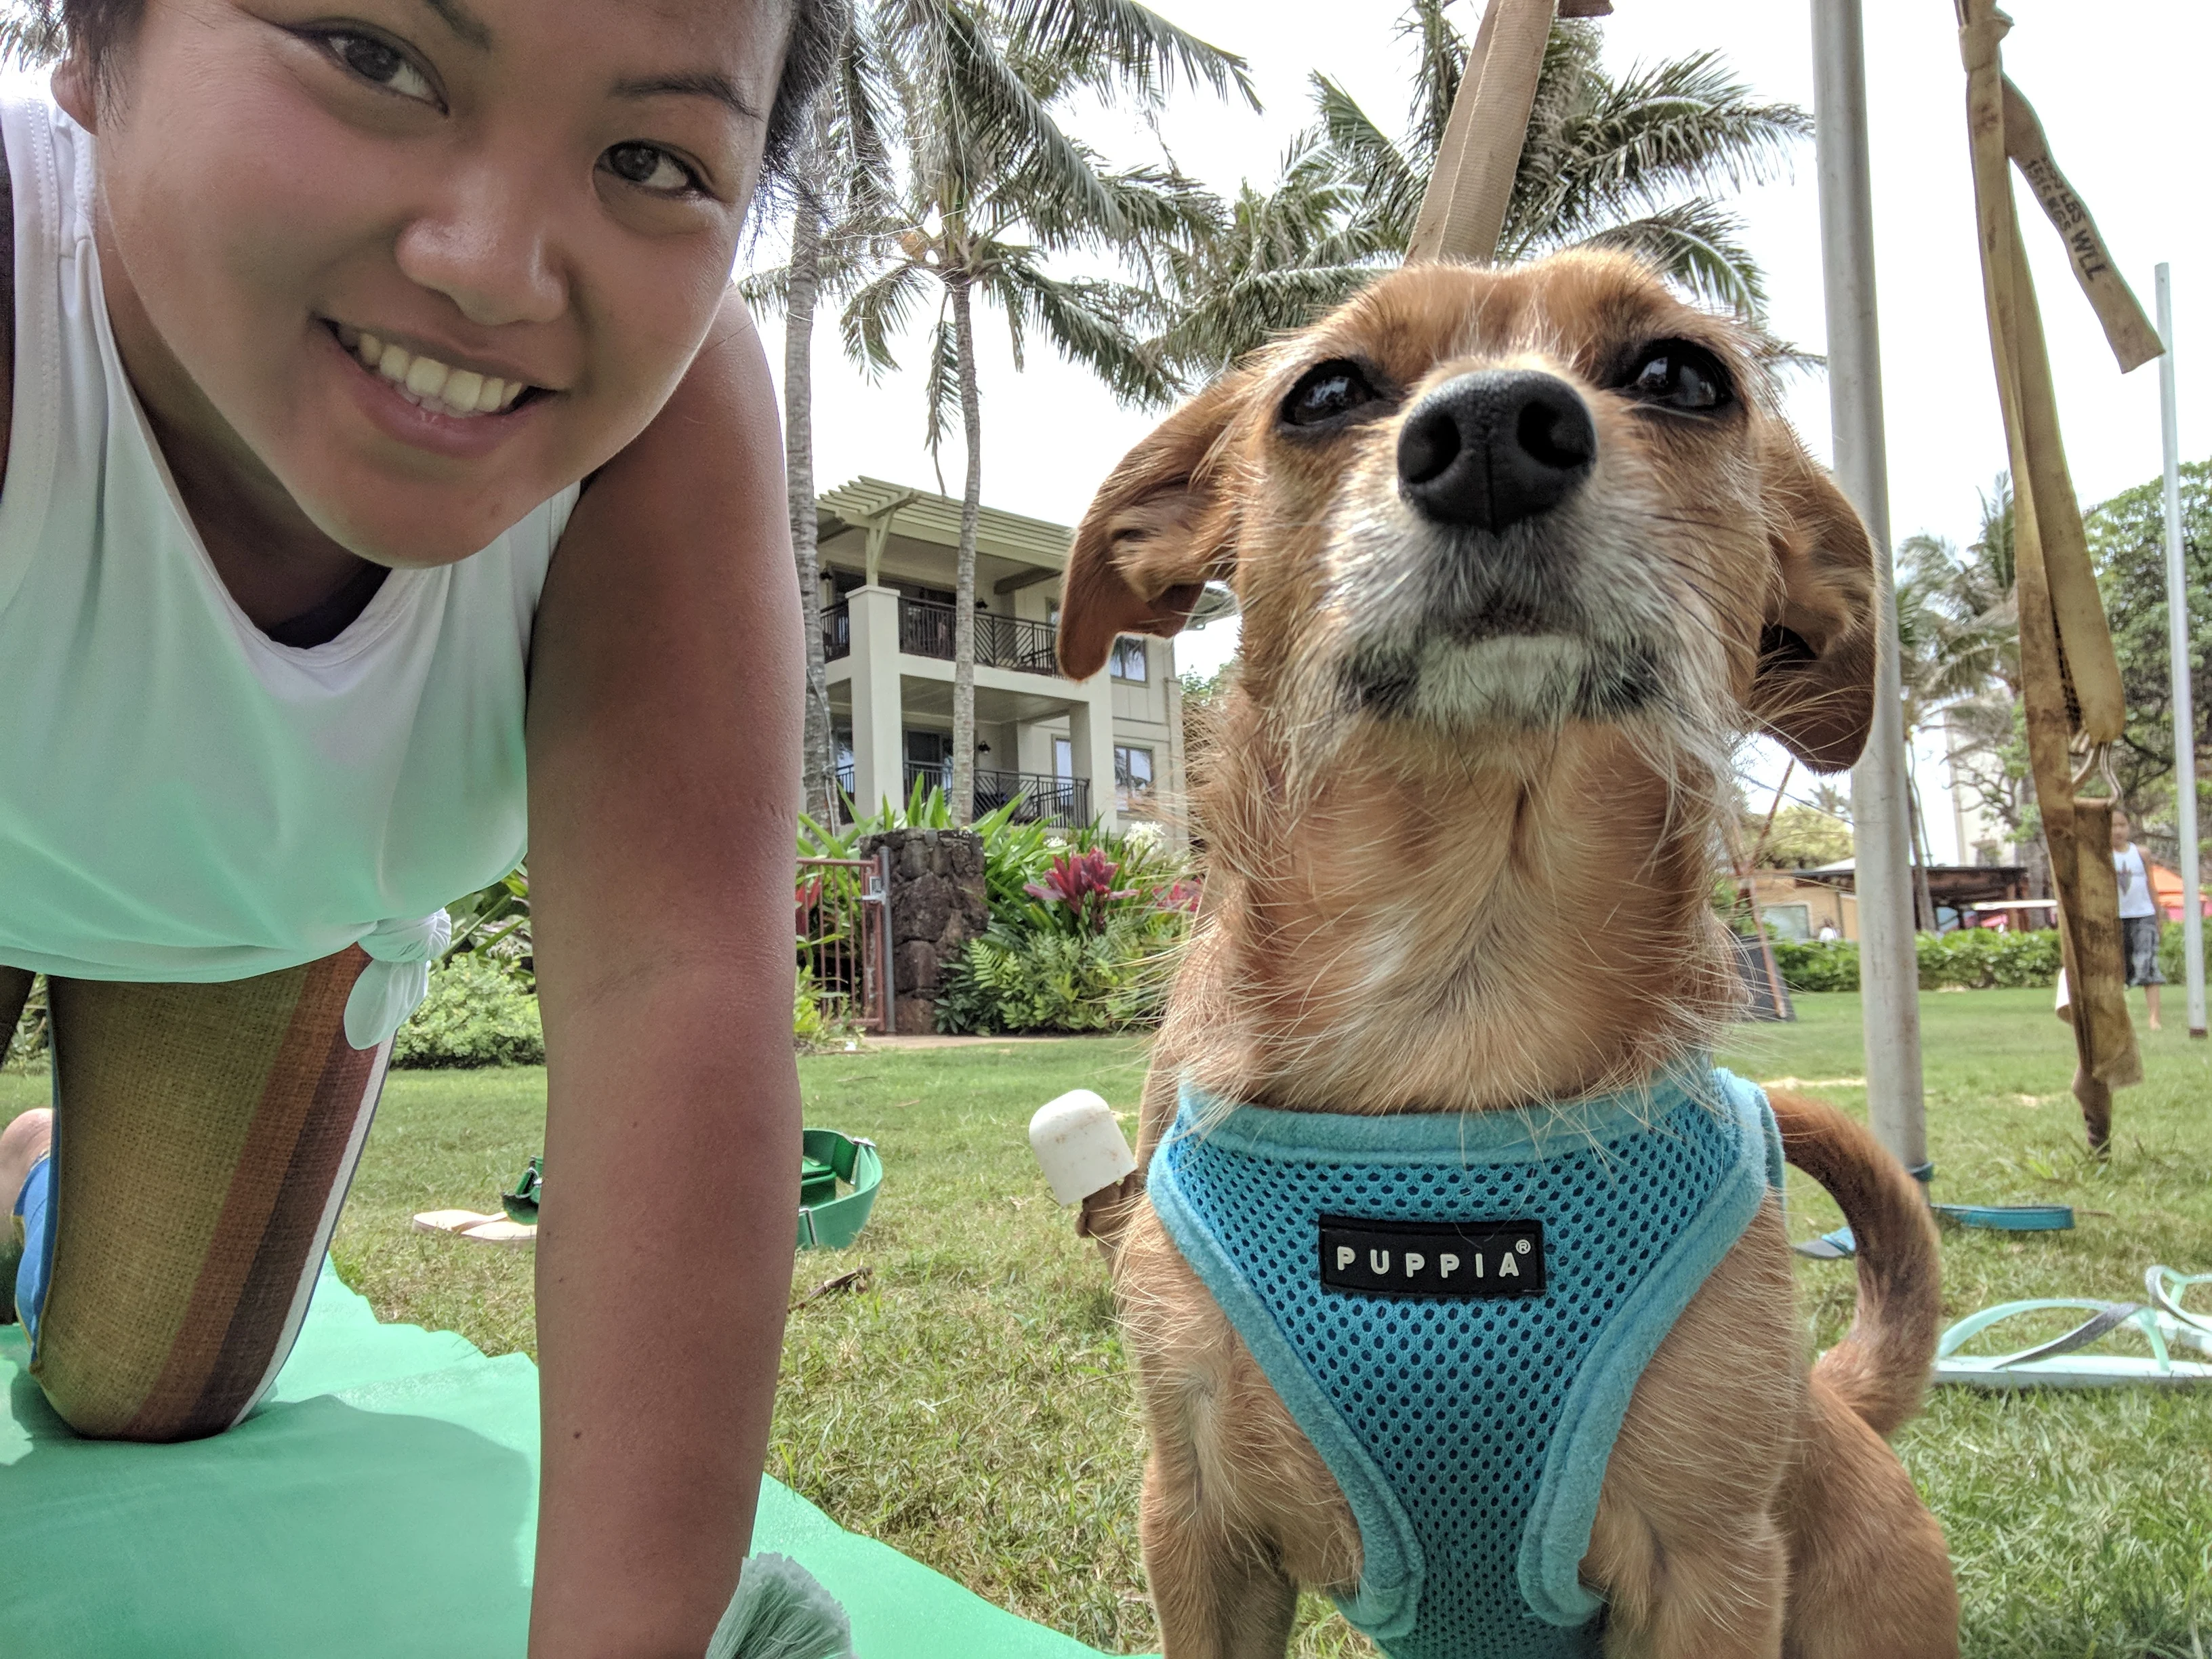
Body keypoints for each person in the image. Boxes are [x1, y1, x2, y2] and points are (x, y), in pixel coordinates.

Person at [0, 1, 832, 1651]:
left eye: (652, 157)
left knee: (143, 1388)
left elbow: (675, 991)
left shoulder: (664, 429)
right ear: (95, 39)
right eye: (376, 60)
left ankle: (27, 1182)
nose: (492, 265)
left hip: (266, 930)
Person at [2112, 811, 2165, 1031]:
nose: (2118, 831)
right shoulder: (2102, 855)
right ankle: (2118, 1019)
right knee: (2116, 970)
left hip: (2143, 916)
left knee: (2148, 967)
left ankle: (2154, 1019)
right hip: (2115, 919)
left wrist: (2159, 917)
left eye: (2122, 825)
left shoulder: (2141, 854)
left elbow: (2151, 886)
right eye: (2113, 826)